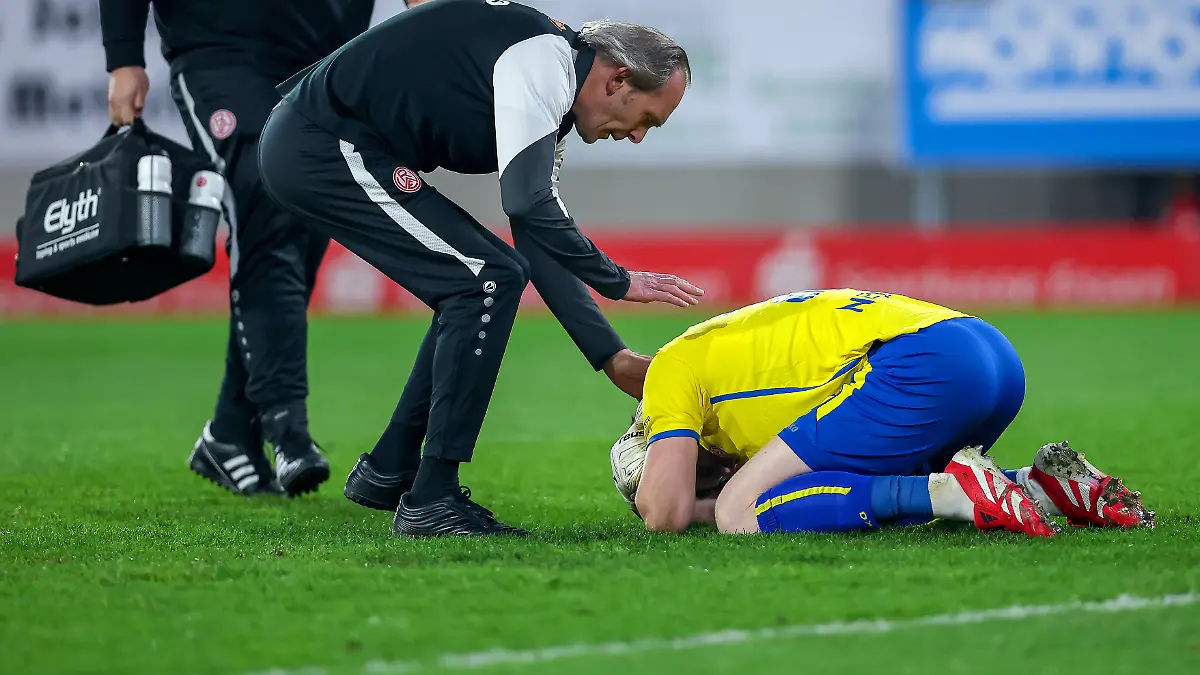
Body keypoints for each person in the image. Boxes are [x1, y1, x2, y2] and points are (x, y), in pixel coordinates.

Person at [258, 0, 703, 537]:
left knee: (486, 278)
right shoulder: (544, 62)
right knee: (485, 280)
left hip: (329, 143)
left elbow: (536, 234)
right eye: (647, 119)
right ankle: (430, 501)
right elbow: (528, 204)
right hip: (322, 145)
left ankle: (391, 468)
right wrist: (617, 280)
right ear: (619, 79)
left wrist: (610, 356)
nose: (637, 137)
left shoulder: (554, 77)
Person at [99, 1, 439, 496]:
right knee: (265, 205)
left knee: (304, 231)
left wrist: (431, 28)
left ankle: (230, 431)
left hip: (327, 60)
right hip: (220, 51)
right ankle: (286, 426)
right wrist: (123, 57)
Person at [611, 288, 1154, 536]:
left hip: (922, 363)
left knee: (738, 512)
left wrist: (699, 505)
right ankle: (1045, 486)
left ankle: (959, 493)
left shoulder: (669, 373)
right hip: (990, 351)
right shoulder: (726, 358)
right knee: (844, 489)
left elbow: (665, 515)